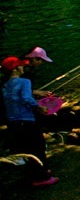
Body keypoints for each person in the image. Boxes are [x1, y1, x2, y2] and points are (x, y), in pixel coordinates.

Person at [1, 56, 58, 186]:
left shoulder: (4, 85)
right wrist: (39, 107)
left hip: (12, 121)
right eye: (20, 66)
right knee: (38, 147)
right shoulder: (24, 82)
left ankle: (35, 174)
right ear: (15, 69)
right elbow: (27, 98)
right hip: (26, 120)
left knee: (25, 148)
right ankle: (42, 177)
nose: (23, 68)